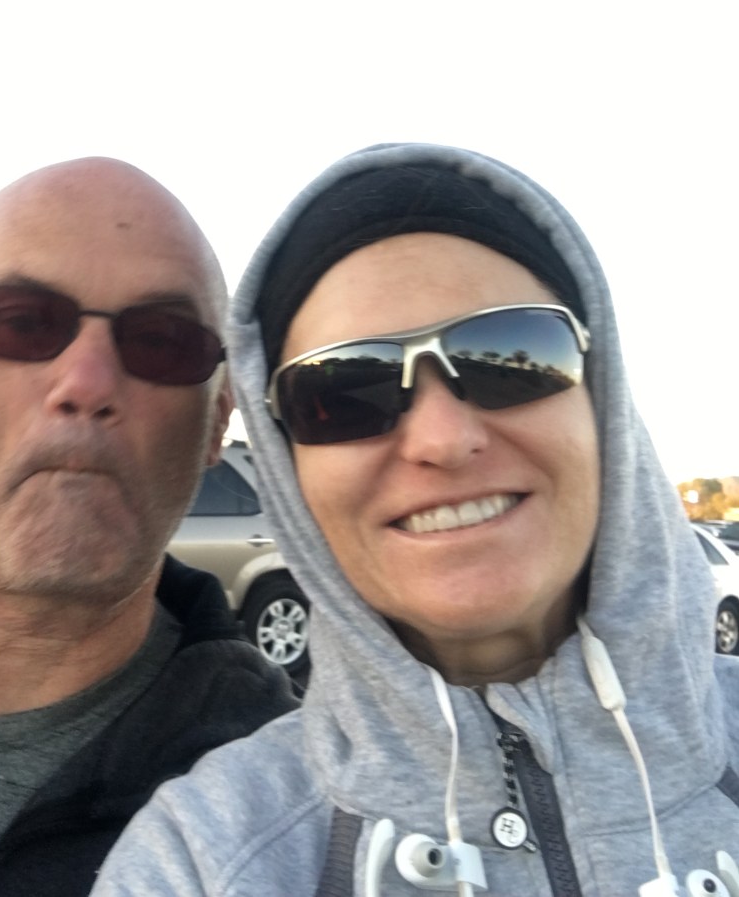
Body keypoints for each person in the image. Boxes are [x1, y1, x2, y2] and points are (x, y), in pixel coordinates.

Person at [93, 142, 739, 897]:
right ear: (285, 466)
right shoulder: (202, 860)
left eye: (507, 357)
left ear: (602, 398)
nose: (443, 439)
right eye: (343, 390)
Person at [0, 157, 296, 897]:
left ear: (217, 422)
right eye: (21, 322)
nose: (86, 384)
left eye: (160, 340)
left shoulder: (292, 817)